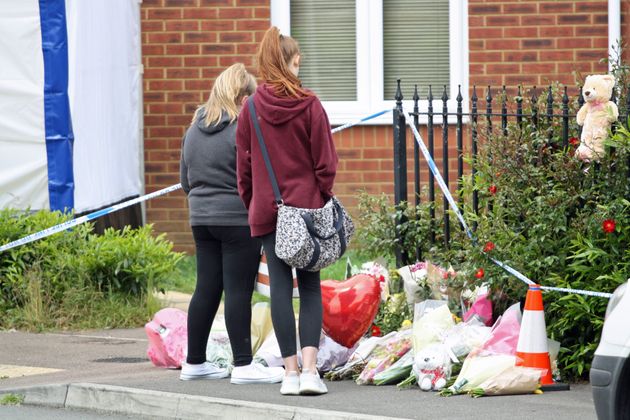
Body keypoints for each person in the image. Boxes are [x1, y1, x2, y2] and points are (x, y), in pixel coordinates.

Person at [236, 27, 338, 396]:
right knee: (309, 288)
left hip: (269, 209)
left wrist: (255, 203)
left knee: (279, 288)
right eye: (296, 62)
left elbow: (243, 168)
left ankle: (290, 374)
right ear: (286, 62)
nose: (299, 68)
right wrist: (320, 195)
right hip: (307, 209)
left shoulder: (250, 109)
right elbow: (326, 163)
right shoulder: (310, 105)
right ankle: (311, 372)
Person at [179, 63, 284, 384]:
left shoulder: (193, 130)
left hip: (201, 220)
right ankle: (243, 365)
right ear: (241, 98)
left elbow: (185, 181)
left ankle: (194, 362)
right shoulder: (241, 130)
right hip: (237, 220)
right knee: (237, 291)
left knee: (206, 289)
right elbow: (255, 178)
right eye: (250, 99)